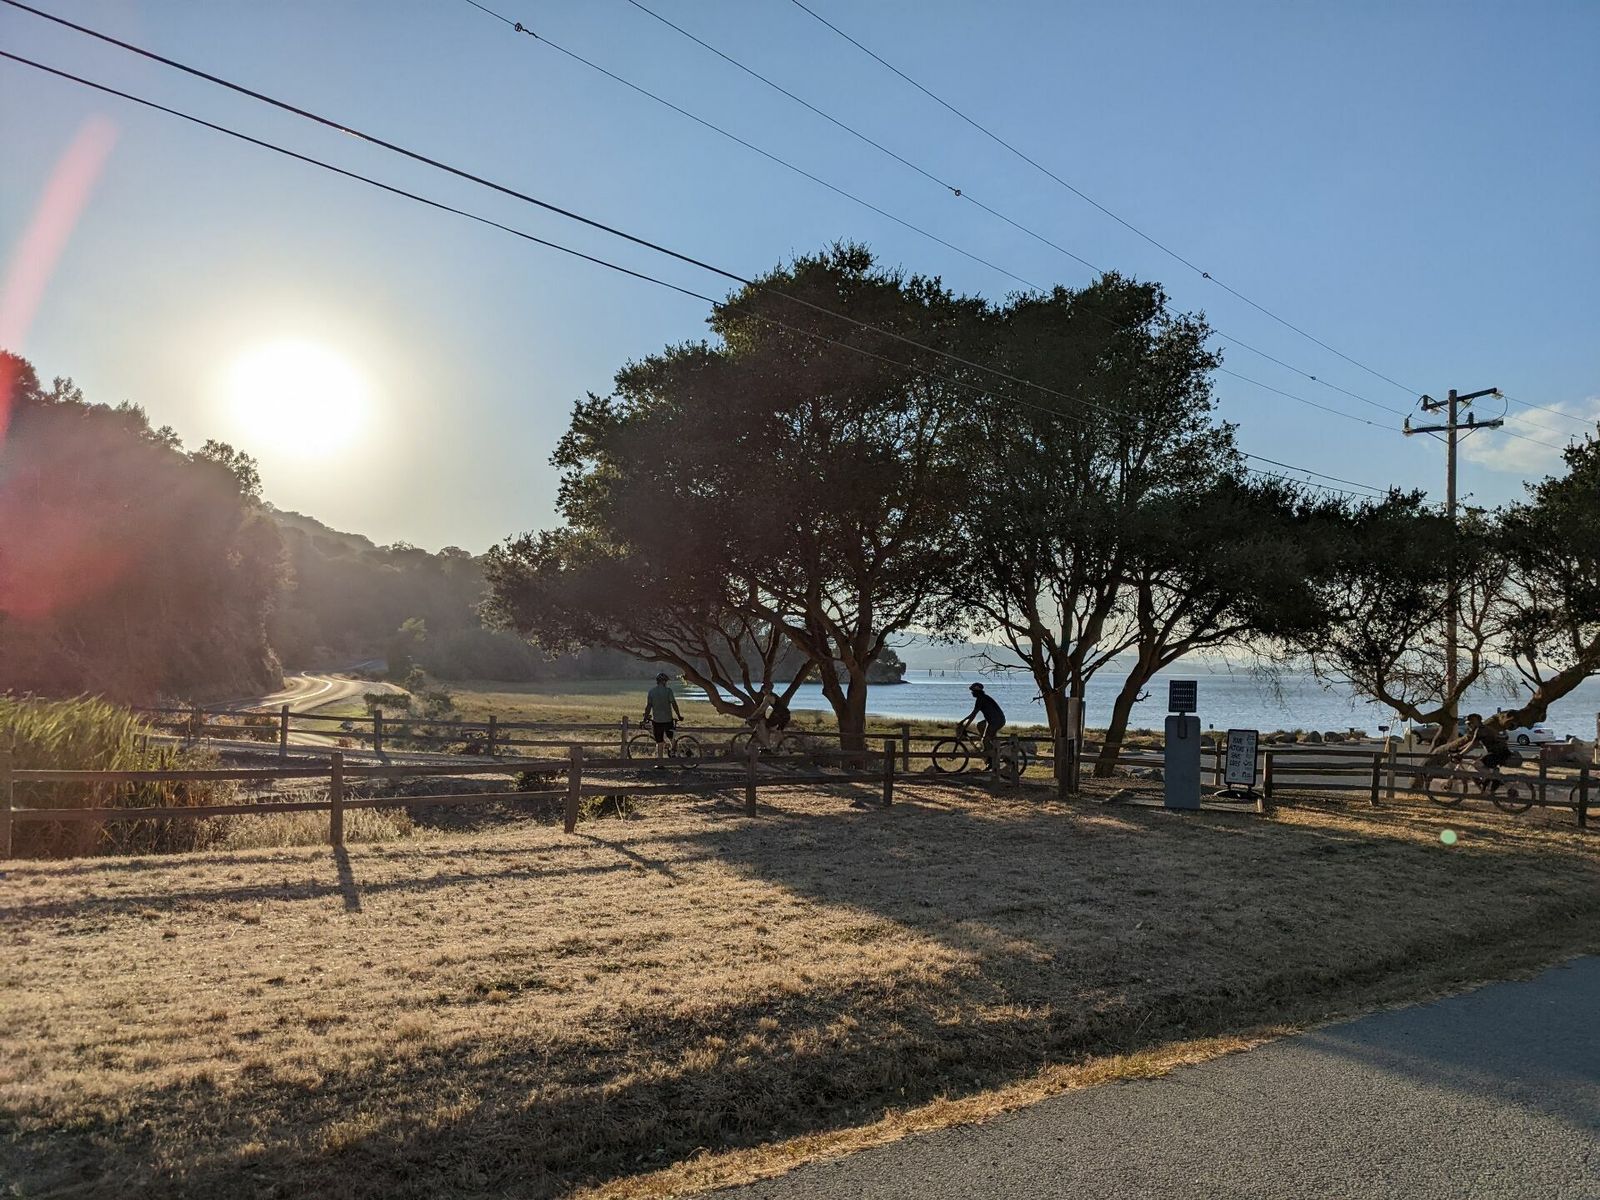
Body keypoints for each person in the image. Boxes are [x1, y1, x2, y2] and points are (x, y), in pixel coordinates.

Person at [959, 681, 1006, 769]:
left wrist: (964, 726)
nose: (972, 693)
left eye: (973, 691)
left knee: (985, 739)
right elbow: (973, 714)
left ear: (977, 692)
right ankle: (988, 745)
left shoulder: (981, 699)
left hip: (996, 721)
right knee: (980, 725)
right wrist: (963, 721)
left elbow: (973, 715)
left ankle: (991, 760)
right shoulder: (983, 698)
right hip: (992, 720)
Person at [643, 672, 683, 769]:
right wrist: (679, 715)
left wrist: (645, 718)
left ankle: (660, 764)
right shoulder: (668, 691)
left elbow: (648, 706)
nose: (666, 683)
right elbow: (674, 704)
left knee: (659, 742)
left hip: (657, 720)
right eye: (666, 681)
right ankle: (673, 752)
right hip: (668, 719)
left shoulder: (651, 692)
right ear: (664, 681)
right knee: (671, 737)